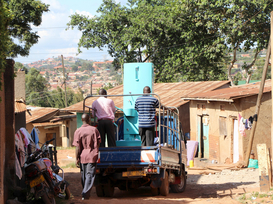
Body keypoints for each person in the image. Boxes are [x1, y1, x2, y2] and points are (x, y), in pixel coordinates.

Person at [72, 113, 101, 200]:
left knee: (84, 176)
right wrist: (96, 151)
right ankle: (85, 193)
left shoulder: (78, 131)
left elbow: (77, 147)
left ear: (82, 120)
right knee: (89, 175)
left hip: (82, 156)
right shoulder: (94, 130)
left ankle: (85, 193)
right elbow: (99, 142)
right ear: (89, 120)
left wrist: (77, 158)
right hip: (92, 156)